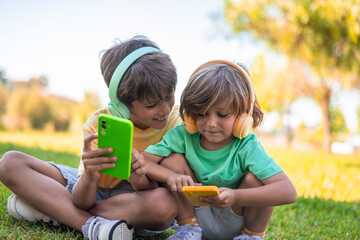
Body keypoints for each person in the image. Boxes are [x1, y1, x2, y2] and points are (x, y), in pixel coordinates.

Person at [0, 35, 183, 240]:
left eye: (169, 96)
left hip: (136, 202)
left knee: (165, 204)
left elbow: (160, 191)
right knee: (10, 162)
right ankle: (90, 225)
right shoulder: (98, 124)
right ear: (121, 105)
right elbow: (82, 201)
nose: (165, 109)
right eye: (151, 105)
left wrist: (138, 179)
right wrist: (89, 175)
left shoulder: (176, 122)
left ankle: (55, 211)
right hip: (93, 193)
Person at [142, 60, 298, 240]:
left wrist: (236, 196)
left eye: (222, 115)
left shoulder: (247, 145)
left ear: (242, 116)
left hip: (236, 220)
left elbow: (288, 191)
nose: (211, 123)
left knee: (256, 179)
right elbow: (143, 160)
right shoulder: (182, 135)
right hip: (197, 217)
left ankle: (251, 236)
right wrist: (170, 176)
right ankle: (189, 230)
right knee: (172, 161)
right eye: (201, 114)